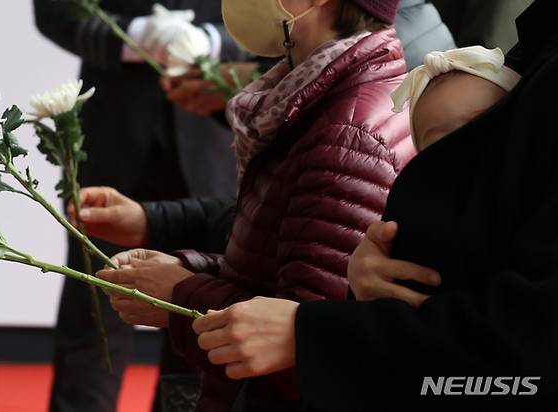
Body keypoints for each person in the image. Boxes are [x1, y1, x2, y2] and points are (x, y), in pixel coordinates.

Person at [192, 0, 558, 409]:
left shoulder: (352, 121)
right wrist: (374, 266)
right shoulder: (540, 39)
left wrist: (315, 334)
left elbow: (530, 348)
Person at [96, 0, 415, 410]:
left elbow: (302, 346)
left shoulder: (348, 131)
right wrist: (181, 271)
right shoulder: (318, 94)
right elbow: (274, 267)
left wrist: (179, 294)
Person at [32, 1, 251, 411]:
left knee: (200, 321)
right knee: (93, 319)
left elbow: (280, 22)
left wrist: (212, 41)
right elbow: (55, 10)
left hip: (215, 143)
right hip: (111, 135)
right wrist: (134, 37)